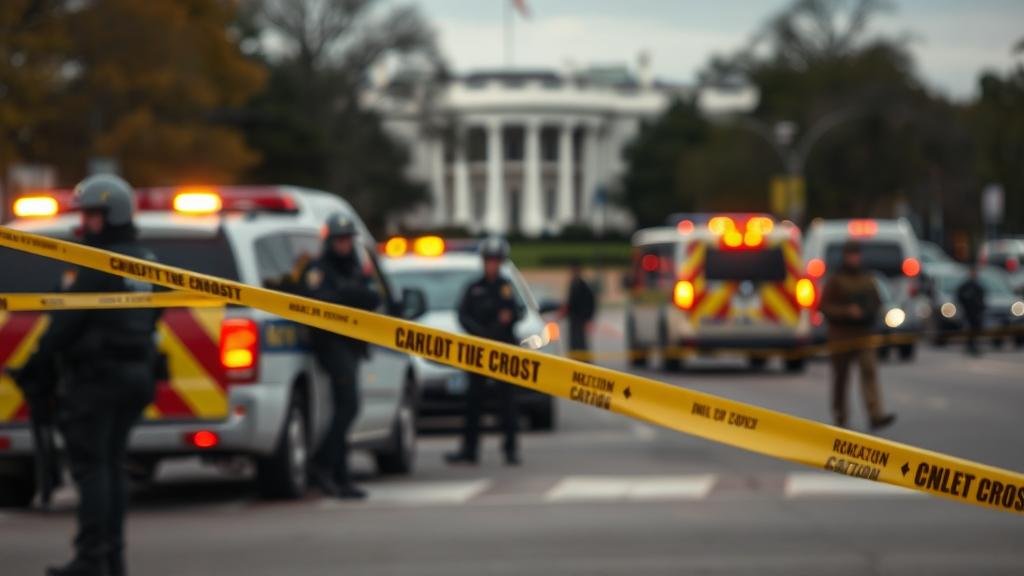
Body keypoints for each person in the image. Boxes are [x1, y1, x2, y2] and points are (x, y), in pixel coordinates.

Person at [12, 175, 161, 576]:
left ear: (113, 214)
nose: (85, 225)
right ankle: (112, 557)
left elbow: (66, 323)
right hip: (135, 374)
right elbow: (156, 314)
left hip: (98, 380)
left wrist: (35, 364)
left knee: (93, 468)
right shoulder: (148, 259)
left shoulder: (98, 262)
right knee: (110, 466)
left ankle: (93, 558)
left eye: (93, 215)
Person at [301, 213, 380, 499]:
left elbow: (373, 298)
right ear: (330, 241)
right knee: (348, 407)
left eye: (348, 239)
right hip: (330, 345)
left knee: (345, 410)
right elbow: (318, 302)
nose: (345, 245)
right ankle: (322, 464)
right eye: (340, 240)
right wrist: (350, 295)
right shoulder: (318, 269)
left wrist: (346, 294)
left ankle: (340, 477)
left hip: (351, 345)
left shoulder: (356, 267)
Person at [446, 237, 524, 466]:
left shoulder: (507, 287)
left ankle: (510, 450)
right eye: (489, 260)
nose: (492, 265)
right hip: (478, 352)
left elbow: (517, 313)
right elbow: (462, 315)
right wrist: (481, 332)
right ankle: (469, 450)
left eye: (496, 261)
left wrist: (503, 324)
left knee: (508, 403)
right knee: (473, 402)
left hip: (503, 351)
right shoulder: (474, 287)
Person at [820, 240, 896, 432]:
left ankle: (875, 414)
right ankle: (840, 415)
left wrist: (868, 312)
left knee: (869, 372)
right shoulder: (836, 280)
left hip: (863, 334)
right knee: (841, 378)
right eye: (851, 254)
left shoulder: (867, 278)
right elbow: (825, 307)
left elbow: (878, 302)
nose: (854, 258)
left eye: (856, 254)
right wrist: (846, 311)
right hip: (841, 335)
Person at [564, 260, 596, 362]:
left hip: (580, 319)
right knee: (574, 343)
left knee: (580, 343)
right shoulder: (574, 284)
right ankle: (575, 362)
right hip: (573, 319)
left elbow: (590, 303)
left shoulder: (583, 286)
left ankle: (584, 363)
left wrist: (588, 319)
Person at [956, 264, 986, 356]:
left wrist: (981, 307)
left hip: (976, 312)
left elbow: (982, 298)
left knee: (976, 329)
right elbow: (959, 297)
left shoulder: (978, 286)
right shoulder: (965, 286)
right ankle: (970, 346)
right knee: (969, 329)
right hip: (968, 311)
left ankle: (974, 345)